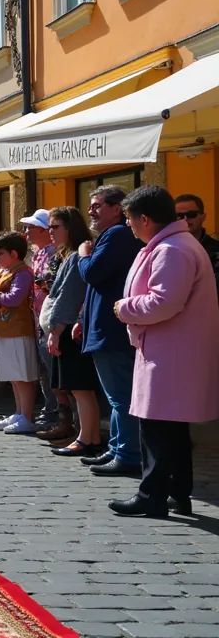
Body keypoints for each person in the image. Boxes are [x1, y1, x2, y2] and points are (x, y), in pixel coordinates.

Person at [109, 186, 219, 517]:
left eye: (129, 219)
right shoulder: (173, 244)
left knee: (156, 426)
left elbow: (165, 301)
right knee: (172, 427)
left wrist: (124, 308)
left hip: (170, 351)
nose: (128, 225)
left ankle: (152, 494)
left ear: (145, 218)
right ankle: (175, 492)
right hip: (171, 348)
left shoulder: (172, 249)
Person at [77, 185, 143, 476]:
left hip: (112, 330)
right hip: (104, 327)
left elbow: (92, 273)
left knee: (120, 396)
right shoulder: (112, 235)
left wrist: (83, 255)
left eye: (98, 205)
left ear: (117, 208)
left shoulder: (116, 235)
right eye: (90, 206)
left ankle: (128, 454)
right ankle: (117, 448)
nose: (91, 210)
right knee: (116, 395)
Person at [42, 207, 102, 458]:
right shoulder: (70, 254)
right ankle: (87, 436)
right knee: (77, 389)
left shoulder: (78, 255)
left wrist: (55, 329)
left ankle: (88, 439)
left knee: (80, 388)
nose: (50, 232)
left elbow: (69, 295)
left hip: (70, 328)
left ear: (70, 227)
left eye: (55, 227)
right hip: (69, 326)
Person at [0, 231, 41, 435]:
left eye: (0, 253)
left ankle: (27, 415)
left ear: (14, 253)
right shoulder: (6, 272)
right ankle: (19, 412)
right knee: (13, 376)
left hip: (17, 330)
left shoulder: (22, 272)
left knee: (22, 375)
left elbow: (15, 298)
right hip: (4, 329)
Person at [21, 209, 70, 438]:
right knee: (45, 370)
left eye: (31, 228)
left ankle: (63, 417)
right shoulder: (38, 253)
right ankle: (51, 411)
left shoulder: (53, 254)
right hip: (37, 318)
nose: (27, 232)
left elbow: (52, 287)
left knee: (54, 372)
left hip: (50, 320)